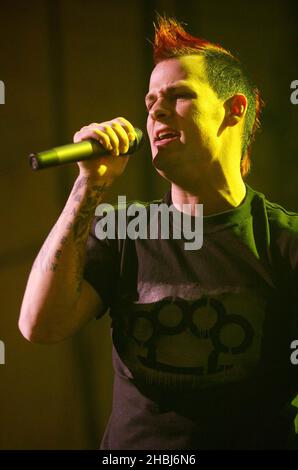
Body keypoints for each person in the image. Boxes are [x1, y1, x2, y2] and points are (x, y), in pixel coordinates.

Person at [19, 16, 298, 450]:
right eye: (150, 103)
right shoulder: (125, 230)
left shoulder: (285, 242)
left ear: (234, 109)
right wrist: (88, 184)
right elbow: (40, 324)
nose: (156, 112)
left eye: (179, 95)